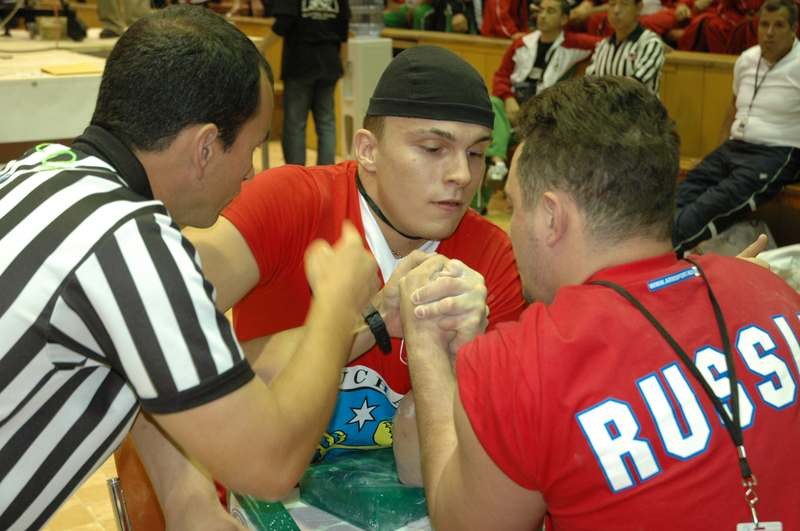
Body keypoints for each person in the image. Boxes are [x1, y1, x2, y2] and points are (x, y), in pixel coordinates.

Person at [0, 6, 380, 529]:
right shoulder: (130, 244)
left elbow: (146, 375)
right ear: (205, 147)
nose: (249, 171)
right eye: (250, 148)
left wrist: (187, 501)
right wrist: (337, 307)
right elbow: (268, 464)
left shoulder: (41, 168)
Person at [132, 45, 524, 524]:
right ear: (368, 150)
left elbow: (443, 466)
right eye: (433, 149)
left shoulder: (490, 259)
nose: (462, 175)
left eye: (477, 153)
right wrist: (188, 503)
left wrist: (462, 358)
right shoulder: (288, 201)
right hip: (256, 501)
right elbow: (142, 320)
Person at [399, 75, 800, 529]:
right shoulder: (769, 292)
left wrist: (429, 347)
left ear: (551, 216)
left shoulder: (522, 363)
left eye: (514, 206)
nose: (510, 228)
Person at [673, 0, 799, 255]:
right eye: (764, 24)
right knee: (678, 196)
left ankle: (661, 260)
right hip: (733, 147)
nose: (770, 32)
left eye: (779, 25)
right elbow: (732, 108)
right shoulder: (747, 59)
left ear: (794, 28)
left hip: (775, 153)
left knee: (708, 206)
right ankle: (662, 256)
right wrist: (717, 151)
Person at [486, 0, 593, 181]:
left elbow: (606, 44)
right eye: (541, 10)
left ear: (564, 18)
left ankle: (497, 162)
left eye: (551, 11)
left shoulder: (574, 43)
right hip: (513, 107)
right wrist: (508, 98)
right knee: (492, 103)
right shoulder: (521, 43)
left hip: (542, 112)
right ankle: (498, 162)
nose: (543, 16)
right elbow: (501, 77)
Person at [260, 0, 349, 166]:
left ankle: (296, 176)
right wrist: (342, 63)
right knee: (326, 122)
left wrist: (261, 46)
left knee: (295, 123)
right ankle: (327, 174)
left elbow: (284, 22)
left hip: (301, 61)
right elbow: (344, 28)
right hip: (330, 61)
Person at [585, 0, 666, 94]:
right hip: (605, 107)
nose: (616, 10)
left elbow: (635, 85)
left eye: (624, 4)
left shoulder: (651, 43)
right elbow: (589, 84)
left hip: (639, 108)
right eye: (612, 4)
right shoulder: (602, 46)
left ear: (639, 7)